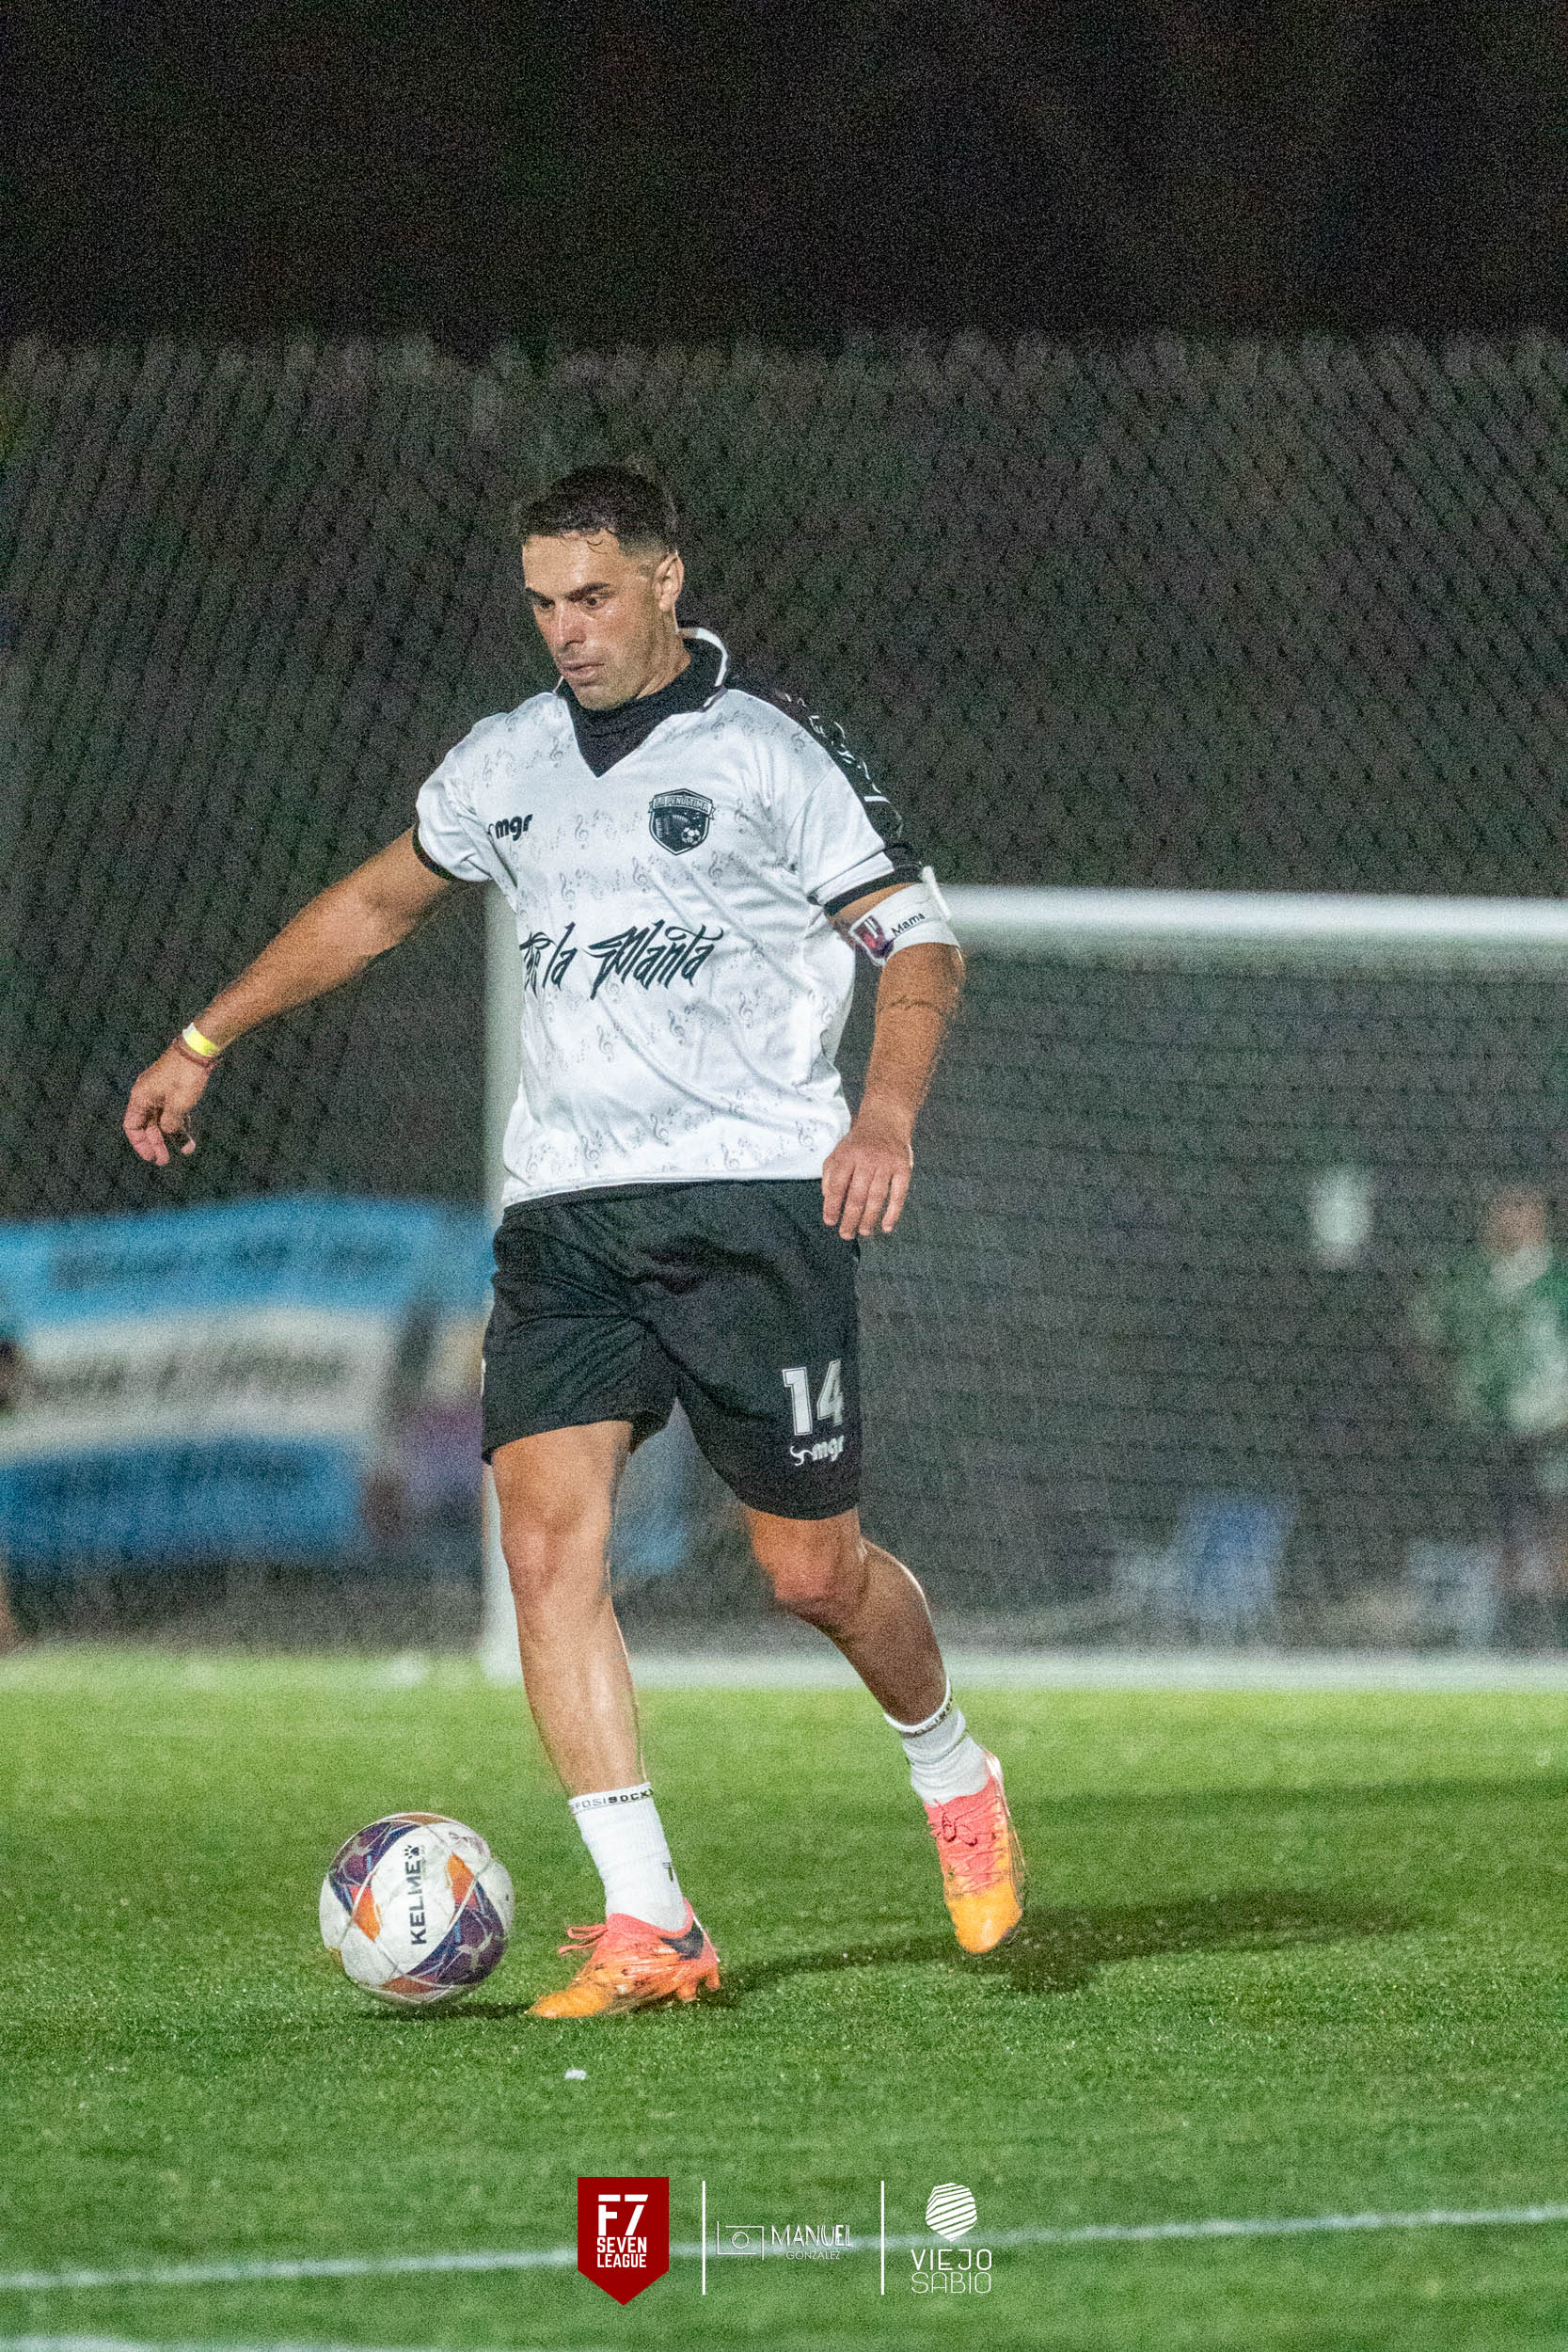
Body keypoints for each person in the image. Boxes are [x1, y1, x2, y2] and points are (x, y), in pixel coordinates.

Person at [123, 464, 1024, 2015]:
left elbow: (917, 945)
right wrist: (205, 1036)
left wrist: (881, 1118)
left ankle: (949, 1766)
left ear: (666, 581)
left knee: (808, 1573)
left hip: (751, 1202)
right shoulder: (506, 761)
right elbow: (374, 904)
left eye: (593, 595)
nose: (566, 629)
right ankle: (649, 1919)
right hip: (563, 1214)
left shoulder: (769, 747)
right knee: (544, 1546)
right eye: (543, 602)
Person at [1408, 1184, 1568, 1647]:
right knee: (1500, 1531)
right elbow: (1422, 1341)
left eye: (1522, 1207)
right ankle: (1507, 1628)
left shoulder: (1559, 1279)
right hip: (1487, 1429)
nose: (1511, 1218)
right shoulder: (1462, 1279)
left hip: (1555, 1426)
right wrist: (1451, 1394)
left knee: (1558, 1525)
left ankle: (1556, 1625)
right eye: (1502, 1207)